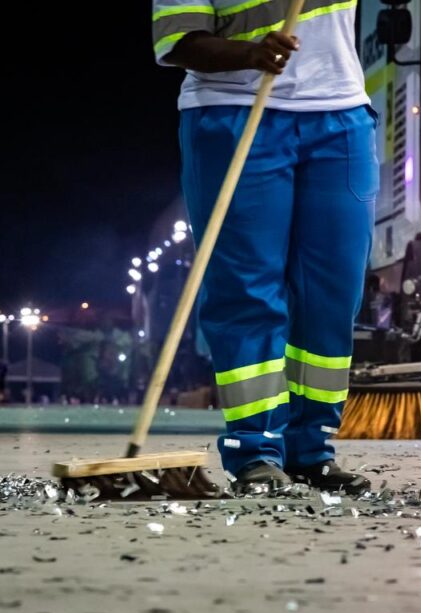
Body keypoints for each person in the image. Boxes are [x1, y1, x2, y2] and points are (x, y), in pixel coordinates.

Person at [152, 0, 378, 493]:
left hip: (339, 115)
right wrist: (249, 53)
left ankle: (311, 449)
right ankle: (254, 449)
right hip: (232, 113)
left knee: (332, 294)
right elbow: (180, 43)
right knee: (247, 290)